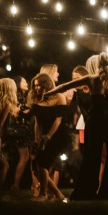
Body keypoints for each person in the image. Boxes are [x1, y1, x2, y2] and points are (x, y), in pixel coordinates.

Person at [45, 52, 108, 200]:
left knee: (91, 156)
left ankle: (87, 190)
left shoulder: (91, 79)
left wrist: (49, 93)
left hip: (95, 121)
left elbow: (64, 86)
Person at [29, 72, 70, 202]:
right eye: (35, 86)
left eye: (39, 85)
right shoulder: (37, 99)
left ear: (46, 84)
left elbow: (58, 120)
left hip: (59, 134)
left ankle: (43, 194)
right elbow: (37, 123)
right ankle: (58, 195)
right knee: (37, 166)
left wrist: (48, 136)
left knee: (43, 162)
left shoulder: (59, 97)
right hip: (44, 134)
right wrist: (37, 140)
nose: (36, 88)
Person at [6, 75, 36, 196]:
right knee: (24, 157)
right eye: (24, 81)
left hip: (23, 130)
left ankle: (30, 184)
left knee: (27, 158)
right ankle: (16, 185)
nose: (27, 83)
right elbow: (15, 113)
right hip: (18, 131)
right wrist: (30, 110)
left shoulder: (23, 96)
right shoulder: (15, 96)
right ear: (18, 83)